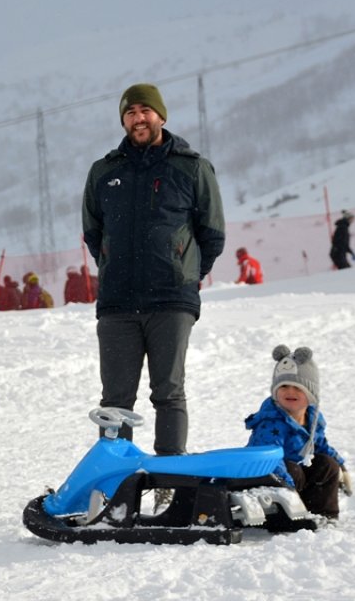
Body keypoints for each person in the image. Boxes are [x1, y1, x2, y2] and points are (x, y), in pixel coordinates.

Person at [81, 83, 225, 456]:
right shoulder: (103, 172)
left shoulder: (191, 167)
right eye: (130, 113)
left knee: (169, 391)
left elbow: (212, 234)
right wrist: (115, 266)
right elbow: (94, 234)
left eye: (145, 111)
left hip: (171, 301)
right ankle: (114, 489)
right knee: (115, 400)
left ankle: (169, 484)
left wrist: (184, 274)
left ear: (161, 115)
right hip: (117, 304)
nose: (138, 118)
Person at [245, 345, 351, 519]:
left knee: (326, 464)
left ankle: (324, 516)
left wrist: (341, 466)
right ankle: (287, 518)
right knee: (293, 469)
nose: (290, 392)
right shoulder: (271, 422)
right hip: (268, 481)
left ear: (310, 394)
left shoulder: (313, 418)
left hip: (296, 481)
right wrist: (288, 488)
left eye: (297, 388)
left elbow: (320, 445)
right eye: (284, 386)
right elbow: (270, 459)